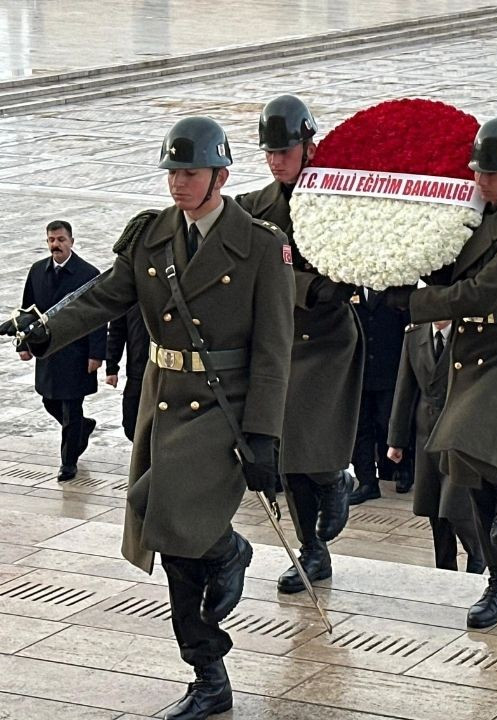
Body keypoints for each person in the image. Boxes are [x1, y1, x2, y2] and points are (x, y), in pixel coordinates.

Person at [2, 116, 294, 720]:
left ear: (221, 174)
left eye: (189, 172)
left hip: (225, 406)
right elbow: (107, 296)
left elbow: (274, 349)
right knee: (161, 522)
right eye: (172, 171)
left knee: (167, 516)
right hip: (165, 396)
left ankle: (213, 637)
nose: (178, 183)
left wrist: (265, 433)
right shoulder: (152, 235)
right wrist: (46, 331)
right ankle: (210, 657)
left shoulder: (261, 244)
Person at [384, 115, 497, 630]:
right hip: (469, 348)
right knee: (464, 469)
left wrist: (414, 303)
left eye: (492, 172)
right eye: (479, 170)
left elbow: (477, 293)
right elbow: (446, 263)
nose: (481, 179)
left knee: (466, 439)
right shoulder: (473, 212)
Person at [235, 95, 358, 593]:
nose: (276, 161)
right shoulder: (256, 207)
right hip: (282, 340)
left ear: (310, 146)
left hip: (326, 338)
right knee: (288, 457)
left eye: (284, 151)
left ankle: (334, 481)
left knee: (310, 442)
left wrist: (317, 286)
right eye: (269, 153)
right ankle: (313, 551)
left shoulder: (340, 201)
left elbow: (354, 265)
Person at [387, 320, 484, 573]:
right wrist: (396, 440)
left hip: (458, 429)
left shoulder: (469, 333)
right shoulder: (414, 334)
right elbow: (405, 388)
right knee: (433, 505)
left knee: (455, 503)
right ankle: (445, 565)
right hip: (426, 432)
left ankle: (478, 552)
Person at [17, 220, 106, 480]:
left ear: (71, 242)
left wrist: (97, 354)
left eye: (61, 240)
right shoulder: (37, 271)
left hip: (77, 354)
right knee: (48, 400)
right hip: (48, 351)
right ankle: (83, 428)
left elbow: (100, 316)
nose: (56, 245)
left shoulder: (88, 274)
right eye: (51, 240)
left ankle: (68, 463)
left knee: (71, 408)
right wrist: (24, 343)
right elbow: (27, 310)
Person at [350, 288, 410, 499]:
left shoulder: (397, 286)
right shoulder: (351, 285)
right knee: (361, 428)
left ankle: (403, 470)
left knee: (390, 424)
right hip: (359, 373)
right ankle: (366, 481)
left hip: (391, 371)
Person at [105, 304, 146, 440]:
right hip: (137, 370)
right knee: (130, 424)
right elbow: (117, 330)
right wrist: (111, 367)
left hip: (167, 372)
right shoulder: (133, 292)